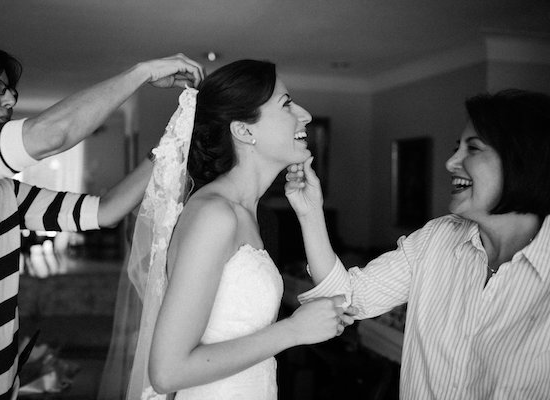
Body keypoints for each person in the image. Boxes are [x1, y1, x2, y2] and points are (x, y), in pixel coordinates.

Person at [0, 36, 203, 399]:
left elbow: (107, 210)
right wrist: (142, 72)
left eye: (11, 91)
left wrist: (174, 143)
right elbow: (52, 134)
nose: (8, 100)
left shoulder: (5, 191)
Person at [284, 88, 550, 399]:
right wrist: (310, 211)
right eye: (456, 148)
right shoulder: (436, 239)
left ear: (523, 162)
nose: (451, 162)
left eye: (473, 149)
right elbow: (345, 298)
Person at [124, 60, 353, 400]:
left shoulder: (251, 214)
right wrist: (291, 331)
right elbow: (167, 372)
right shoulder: (215, 215)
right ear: (244, 131)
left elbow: (342, 300)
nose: (304, 115)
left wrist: (311, 213)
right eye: (287, 103)